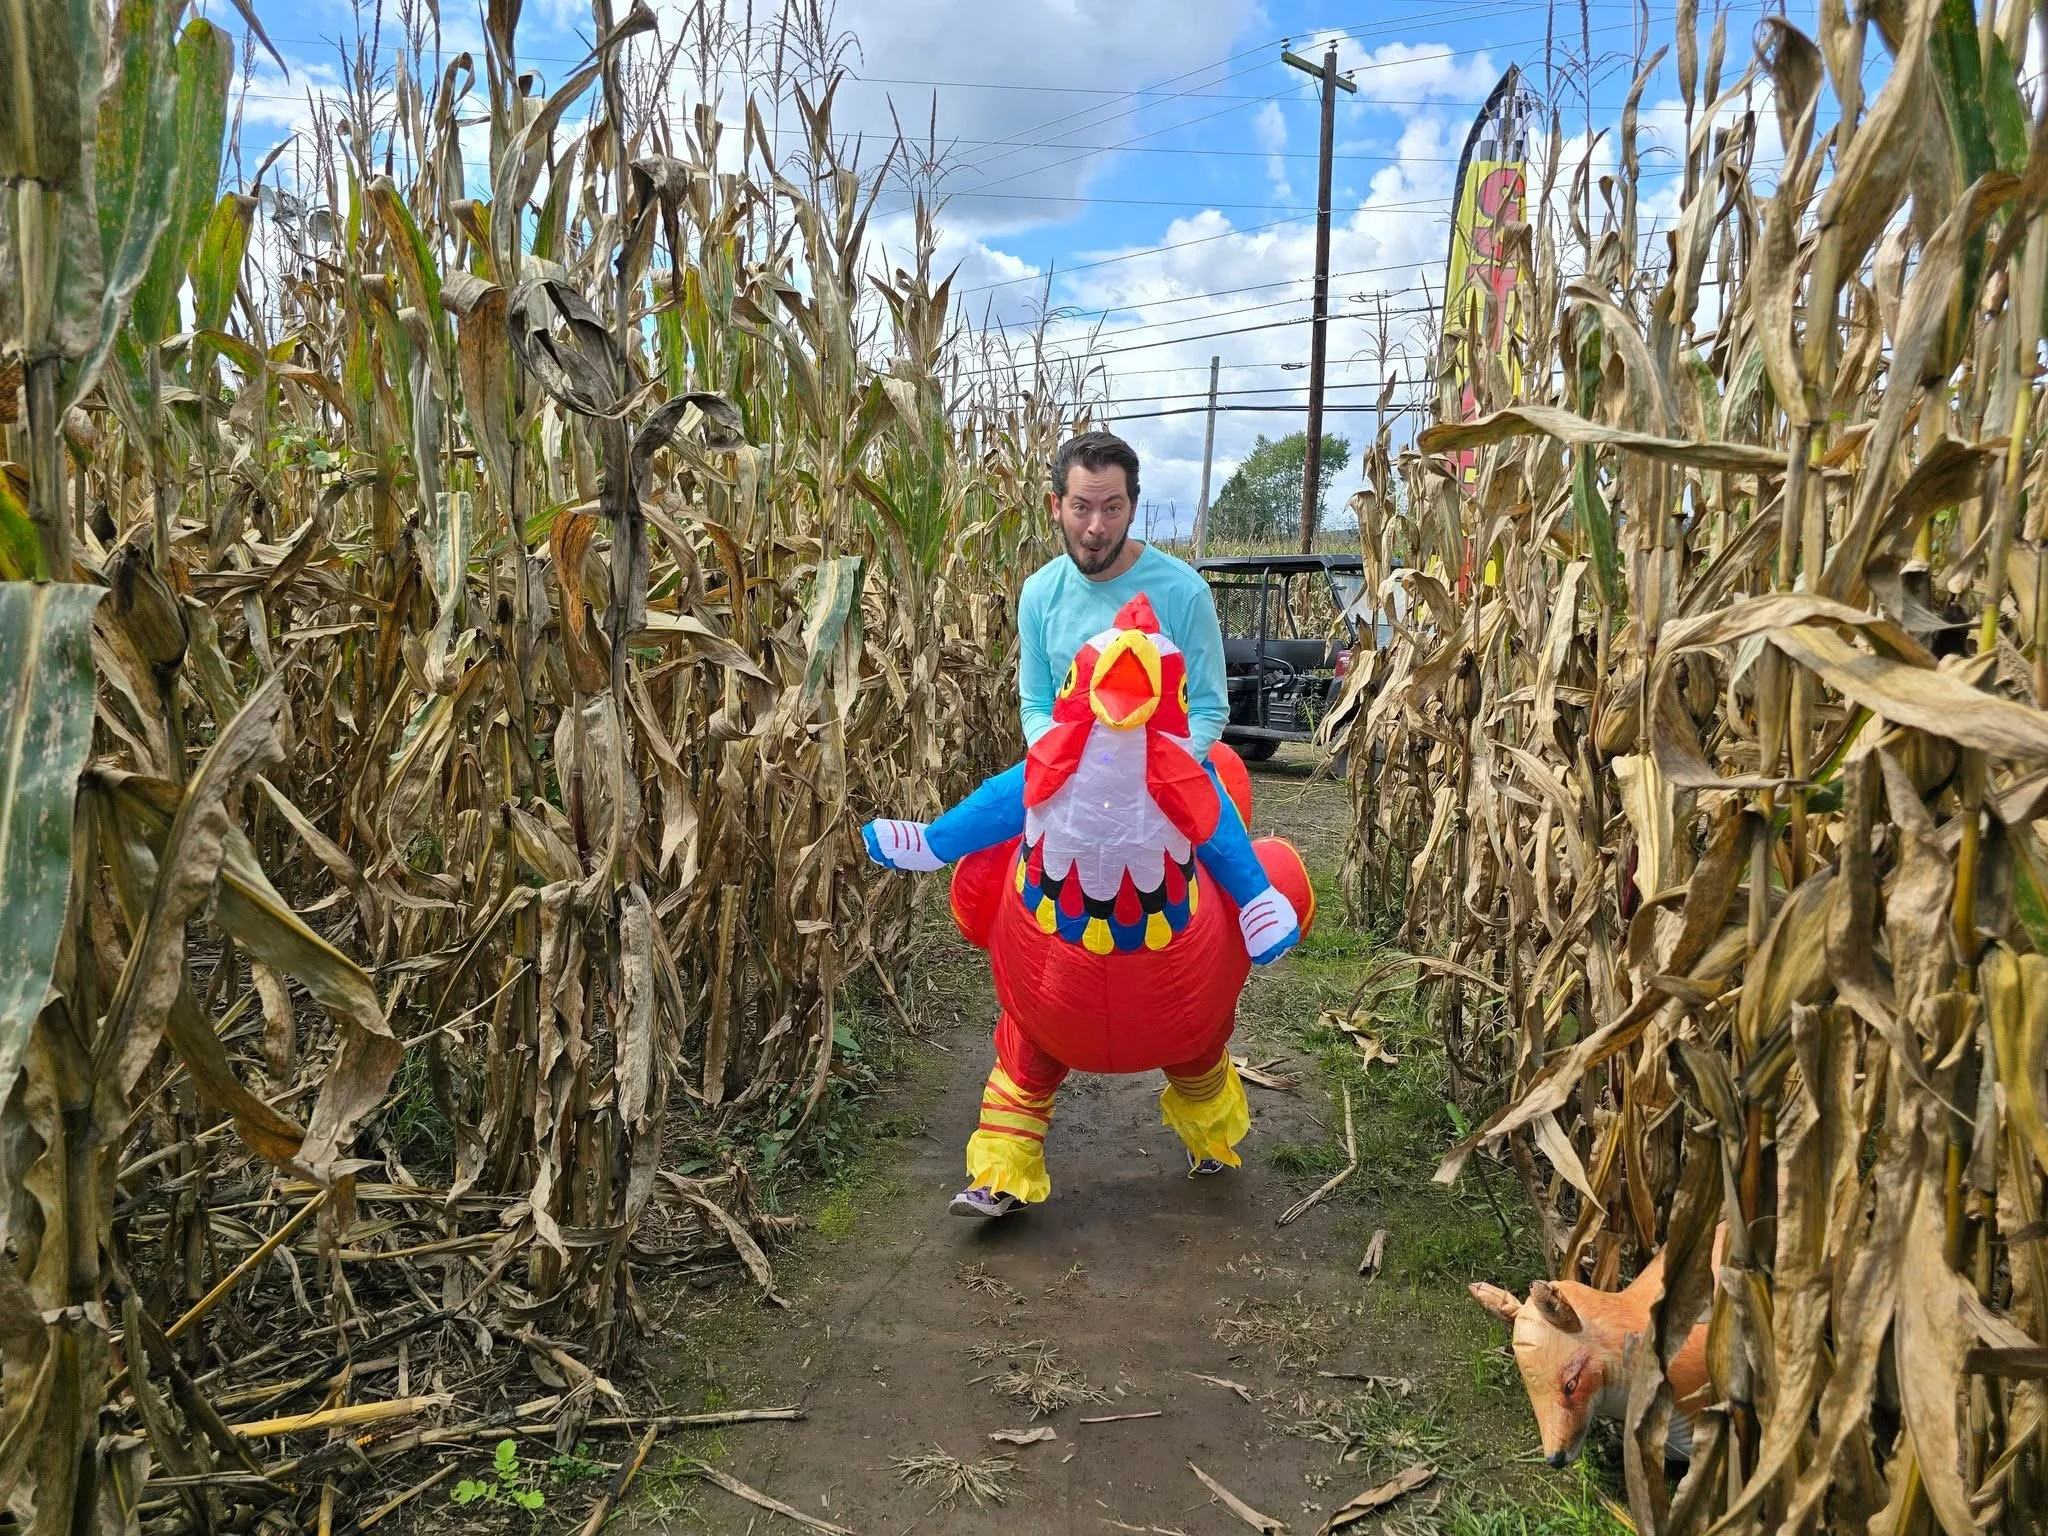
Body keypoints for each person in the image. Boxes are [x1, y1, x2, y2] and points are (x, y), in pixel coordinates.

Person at [861, 432, 1307, 1218]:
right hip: (1066, 793)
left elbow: (1208, 707)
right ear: (1056, 507)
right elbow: (1035, 700)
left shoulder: (1182, 591)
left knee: (1220, 895)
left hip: (1163, 788)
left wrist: (1156, 771)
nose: (1095, 526)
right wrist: (1063, 768)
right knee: (1000, 897)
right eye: (1080, 507)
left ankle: (1212, 1097)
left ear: (1133, 505)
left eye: (1112, 508)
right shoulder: (1041, 594)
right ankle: (1001, 1167)